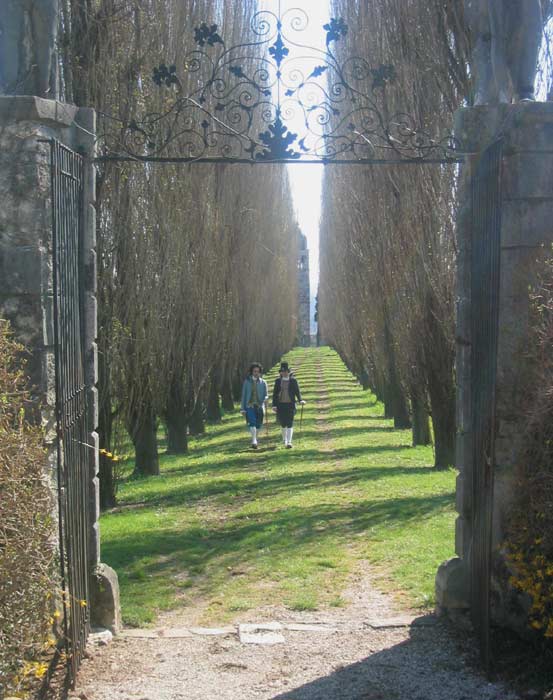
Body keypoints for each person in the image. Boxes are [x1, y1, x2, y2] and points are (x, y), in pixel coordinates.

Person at [272, 362, 305, 448]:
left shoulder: (293, 381)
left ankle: (289, 442)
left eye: (286, 371)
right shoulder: (278, 381)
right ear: (280, 372)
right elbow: (275, 394)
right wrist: (274, 405)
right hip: (280, 405)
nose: (284, 373)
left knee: (290, 423)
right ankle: (284, 440)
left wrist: (300, 400)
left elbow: (297, 392)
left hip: (290, 404)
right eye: (283, 371)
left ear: (288, 372)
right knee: (283, 423)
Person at [240, 362, 268, 449]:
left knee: (259, 424)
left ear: (260, 372)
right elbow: (244, 395)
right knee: (252, 422)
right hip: (250, 406)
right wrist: (242, 408)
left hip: (260, 406)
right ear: (252, 372)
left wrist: (266, 398)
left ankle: (255, 438)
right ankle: (254, 440)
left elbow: (266, 394)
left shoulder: (263, 383)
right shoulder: (247, 382)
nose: (256, 373)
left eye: (258, 371)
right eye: (254, 371)